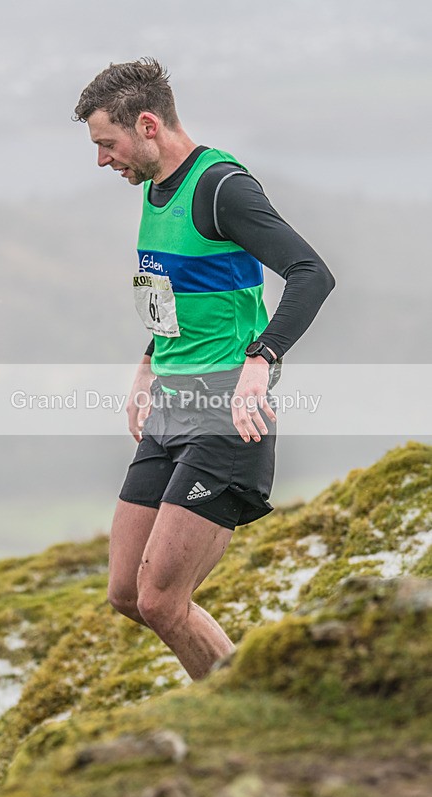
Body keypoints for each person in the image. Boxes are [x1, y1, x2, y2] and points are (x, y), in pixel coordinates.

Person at [74, 58, 335, 680]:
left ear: (147, 125)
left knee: (163, 599)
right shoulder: (153, 188)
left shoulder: (222, 187)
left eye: (108, 145)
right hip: (170, 405)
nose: (103, 160)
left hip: (226, 415)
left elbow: (312, 273)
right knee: (127, 594)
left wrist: (260, 359)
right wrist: (145, 366)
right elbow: (176, 291)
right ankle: (239, 682)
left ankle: (245, 710)